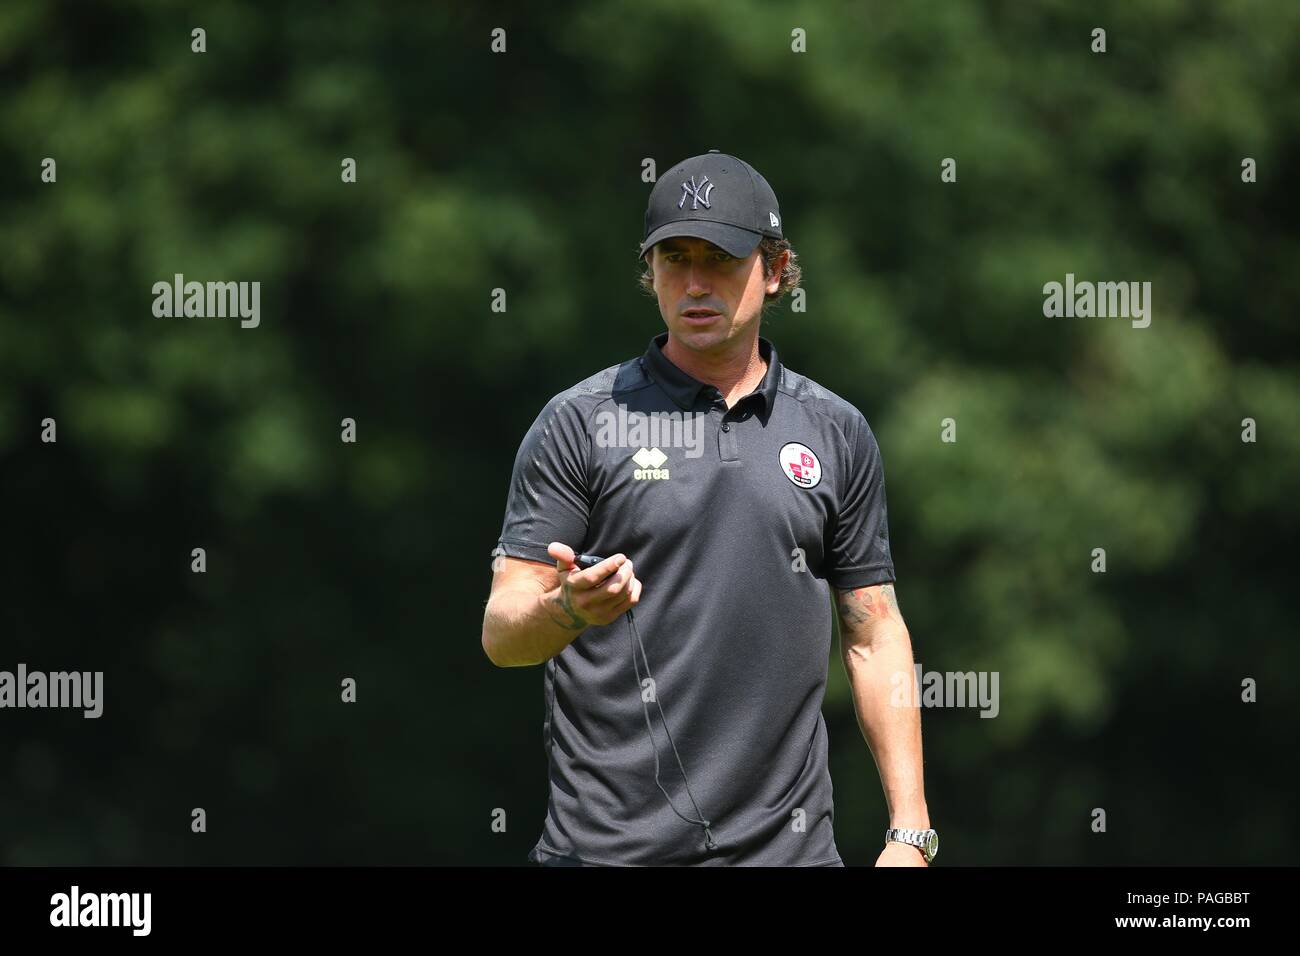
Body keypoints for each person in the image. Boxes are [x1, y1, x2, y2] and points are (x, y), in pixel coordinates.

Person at [482, 151, 937, 867]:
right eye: (673, 258)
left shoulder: (835, 431)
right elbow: (503, 634)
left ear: (776, 269)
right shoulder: (581, 422)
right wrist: (566, 608)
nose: (694, 283)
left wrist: (910, 833)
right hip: (604, 855)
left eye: (719, 260)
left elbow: (873, 635)